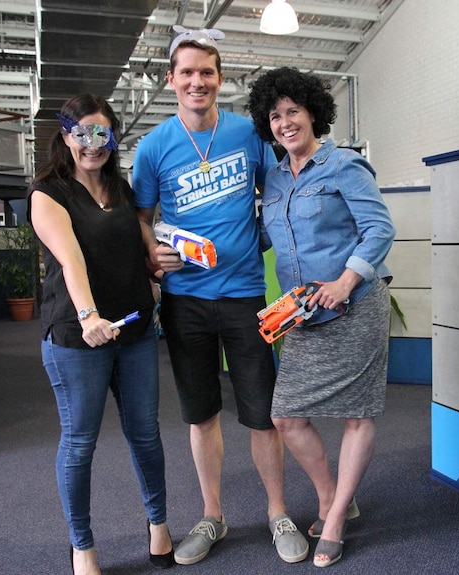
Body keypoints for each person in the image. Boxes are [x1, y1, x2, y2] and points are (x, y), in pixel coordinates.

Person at [131, 28, 307, 565]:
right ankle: (214, 516)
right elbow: (142, 216)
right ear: (171, 80)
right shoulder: (154, 146)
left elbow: (277, 190)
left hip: (245, 293)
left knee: (263, 414)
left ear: (219, 78)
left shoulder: (248, 133)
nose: (197, 81)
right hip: (184, 299)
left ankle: (277, 511)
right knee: (201, 415)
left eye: (206, 72)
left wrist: (271, 240)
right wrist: (153, 256)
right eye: (186, 72)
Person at [246, 67, 396, 568]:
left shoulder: (343, 166)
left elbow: (378, 228)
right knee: (286, 415)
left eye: (293, 111)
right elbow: (271, 237)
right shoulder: (273, 177)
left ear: (314, 113)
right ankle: (335, 497)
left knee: (358, 413)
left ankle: (332, 521)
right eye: (275, 115)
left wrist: (345, 281)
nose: (286, 122)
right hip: (303, 313)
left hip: (354, 304)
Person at [29, 94, 173, 575]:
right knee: (80, 442)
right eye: (81, 133)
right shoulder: (48, 194)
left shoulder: (122, 189)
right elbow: (70, 260)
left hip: (133, 330)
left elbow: (144, 244)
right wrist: (89, 316)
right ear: (66, 136)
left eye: (102, 133)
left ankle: (158, 526)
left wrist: (161, 261)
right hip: (78, 336)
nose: (92, 144)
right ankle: (82, 546)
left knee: (145, 434)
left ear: (114, 136)